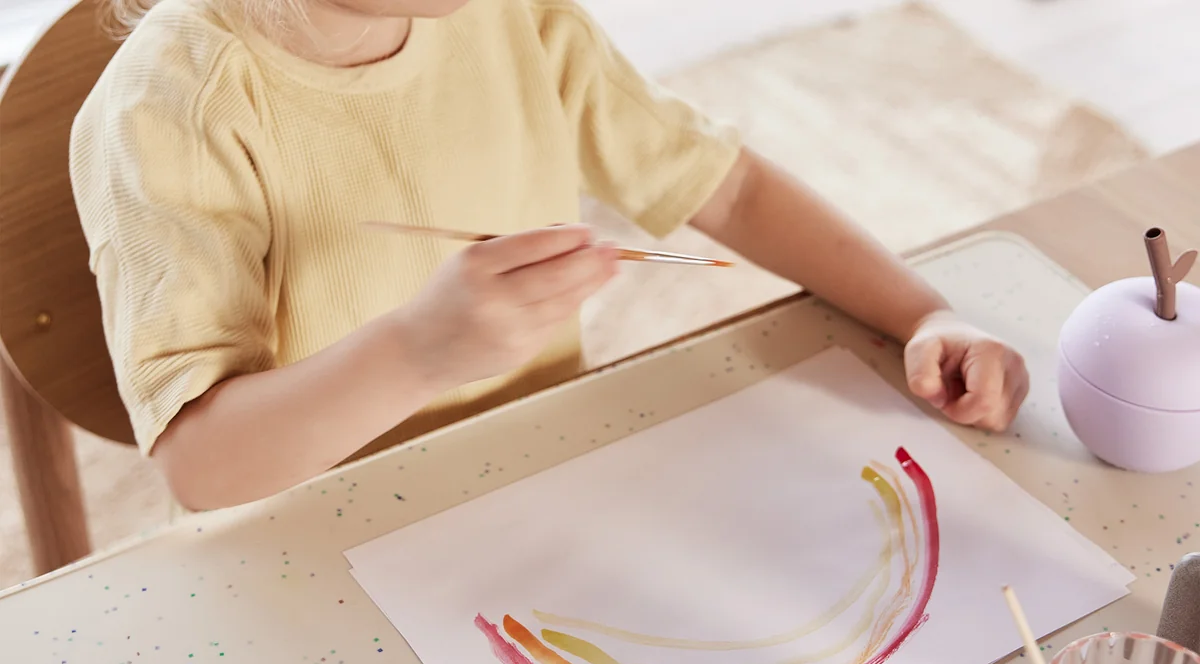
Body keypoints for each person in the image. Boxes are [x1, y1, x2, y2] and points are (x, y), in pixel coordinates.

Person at [73, 0, 1030, 511]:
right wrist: (417, 353)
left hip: (540, 485)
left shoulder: (514, 14)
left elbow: (728, 187)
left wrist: (922, 313)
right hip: (312, 532)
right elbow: (202, 468)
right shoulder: (172, 106)